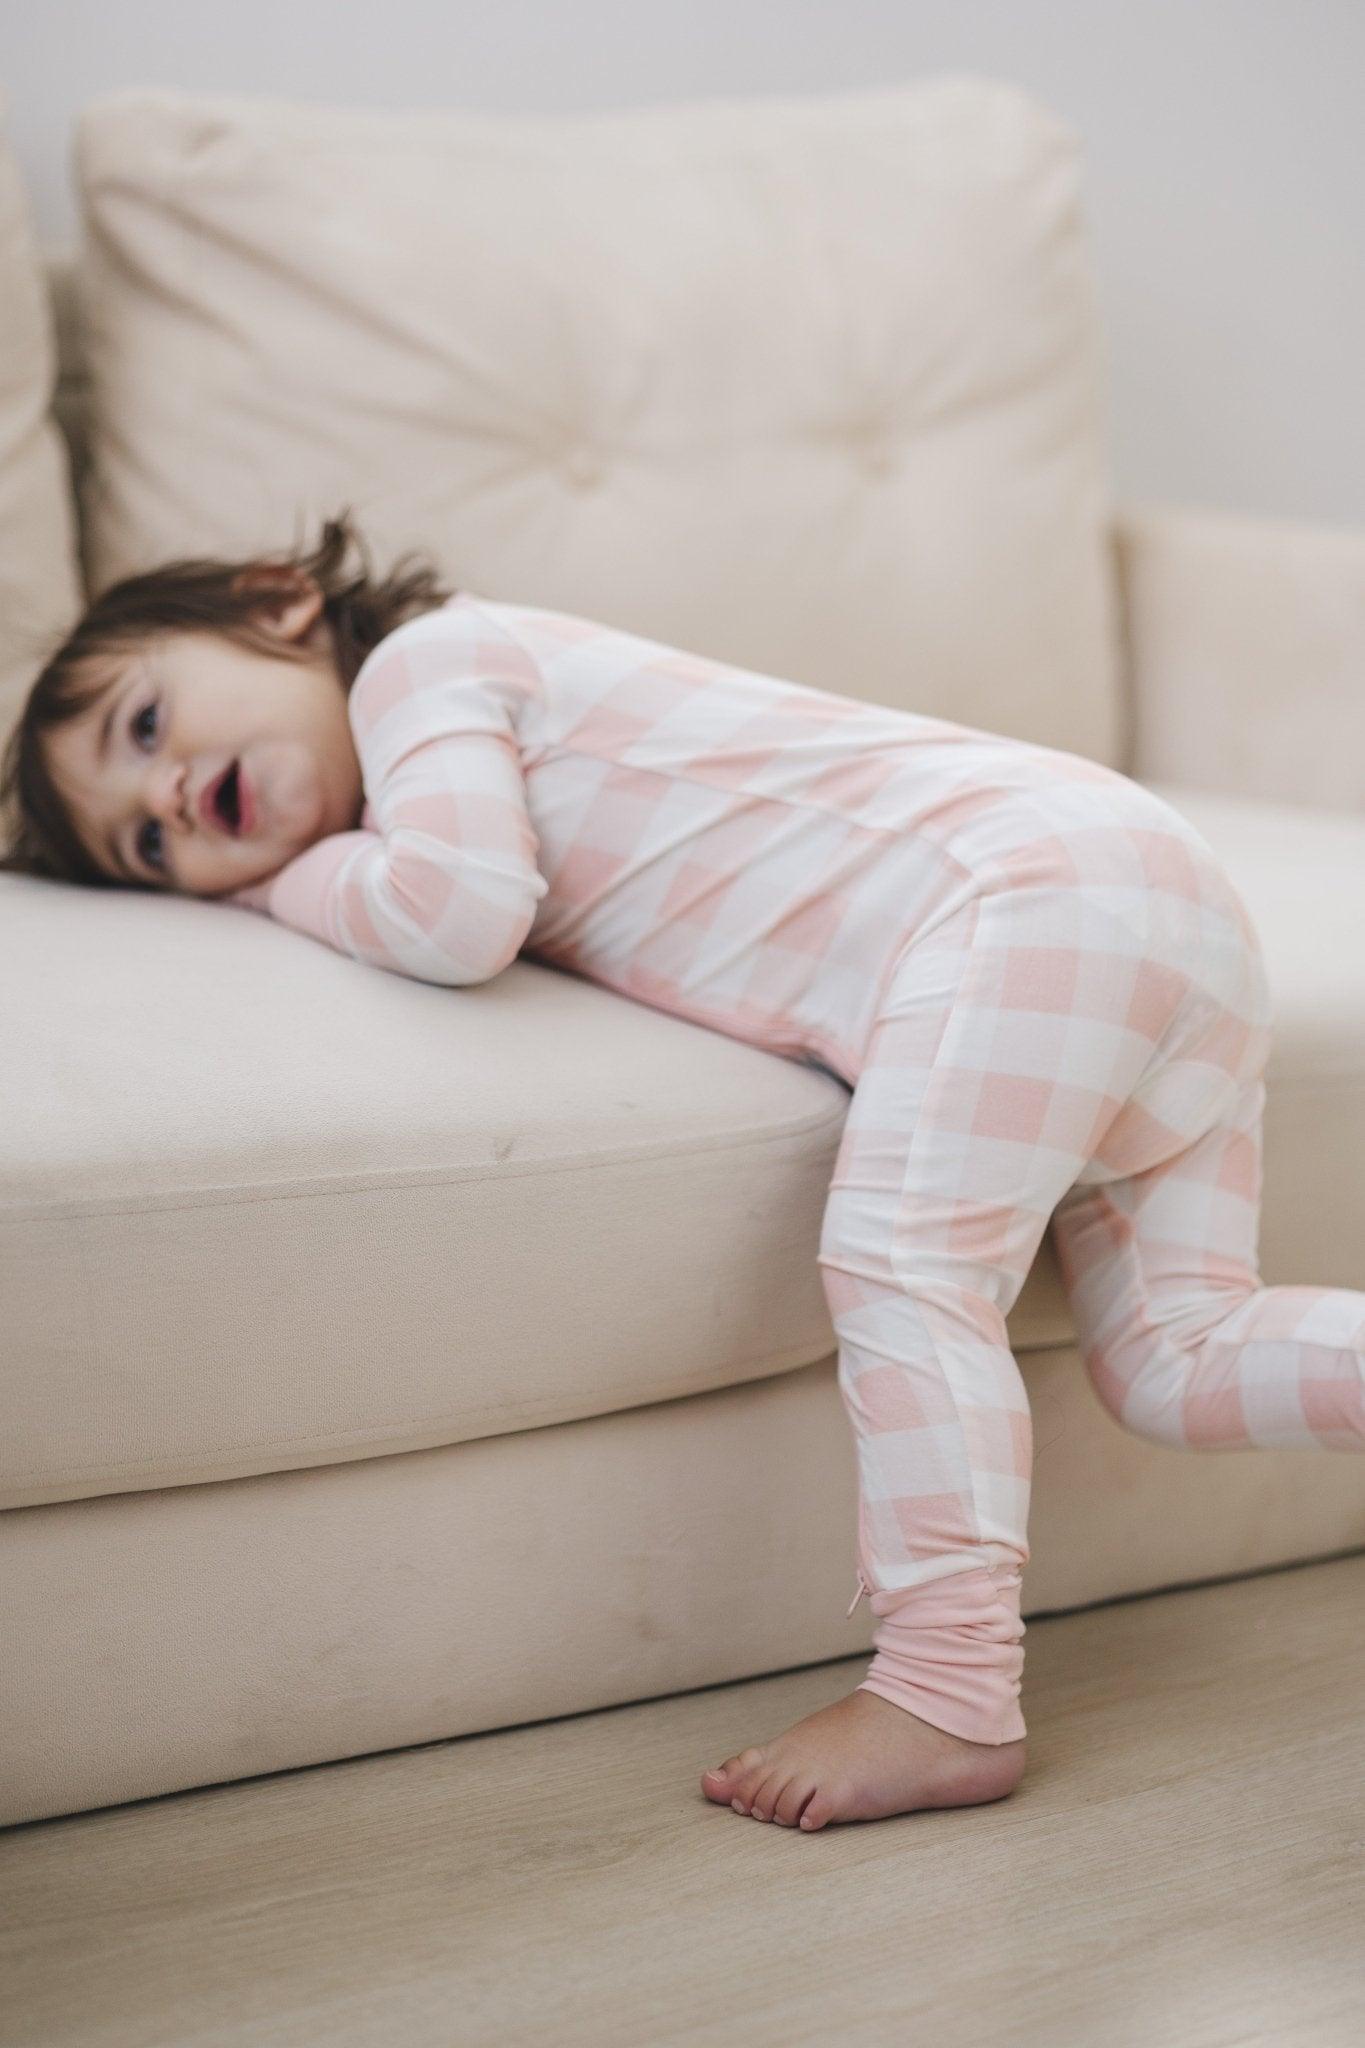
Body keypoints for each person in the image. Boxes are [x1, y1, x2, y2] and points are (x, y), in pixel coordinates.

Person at [5, 509, 1362, 1832]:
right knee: (1174, 1356)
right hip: (1155, 900)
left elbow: (459, 909)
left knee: (905, 1259)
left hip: (1022, 889)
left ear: (276, 601)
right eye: (149, 848)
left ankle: (946, 1692)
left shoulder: (429, 665)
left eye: (145, 724)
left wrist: (264, 887)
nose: (171, 796)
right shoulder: (445, 725)